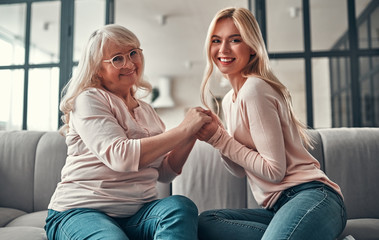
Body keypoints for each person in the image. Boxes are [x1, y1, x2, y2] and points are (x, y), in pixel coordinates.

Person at [44, 24, 211, 240]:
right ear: (97, 69)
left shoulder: (148, 111)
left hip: (138, 215)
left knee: (180, 206)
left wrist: (191, 135)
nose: (130, 63)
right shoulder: (90, 98)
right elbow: (120, 156)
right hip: (80, 211)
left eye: (133, 53)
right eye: (117, 59)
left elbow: (165, 172)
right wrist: (183, 128)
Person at [196, 7, 347, 240]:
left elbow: (273, 171)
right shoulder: (229, 100)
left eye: (235, 40)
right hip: (277, 208)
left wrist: (221, 139)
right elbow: (239, 169)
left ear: (252, 48)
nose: (223, 49)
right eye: (217, 40)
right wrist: (220, 139)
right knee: (206, 222)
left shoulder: (254, 89)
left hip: (314, 197)